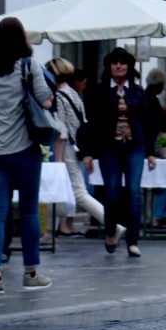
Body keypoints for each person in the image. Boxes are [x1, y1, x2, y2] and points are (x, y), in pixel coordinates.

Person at [0, 17, 54, 295]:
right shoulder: (29, 66)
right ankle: (30, 273)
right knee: (28, 210)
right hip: (24, 149)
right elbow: (46, 100)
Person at [82, 47, 162, 258]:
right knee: (112, 193)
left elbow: (148, 123)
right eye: (115, 62)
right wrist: (88, 152)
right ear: (109, 66)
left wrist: (151, 152)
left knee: (134, 193)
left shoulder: (137, 92)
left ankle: (133, 241)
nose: (118, 66)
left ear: (129, 67)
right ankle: (110, 231)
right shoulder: (99, 92)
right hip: (110, 148)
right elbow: (92, 124)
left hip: (134, 146)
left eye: (123, 63)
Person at [48, 59, 96, 234]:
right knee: (73, 189)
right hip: (77, 145)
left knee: (78, 192)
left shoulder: (59, 96)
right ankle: (64, 225)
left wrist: (58, 160)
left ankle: (112, 224)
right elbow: (82, 121)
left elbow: (61, 129)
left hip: (66, 147)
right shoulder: (74, 94)